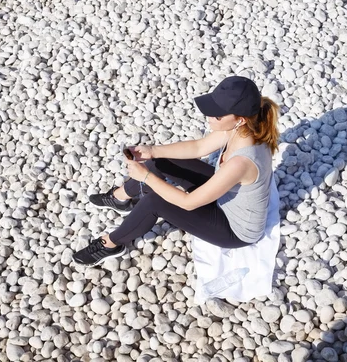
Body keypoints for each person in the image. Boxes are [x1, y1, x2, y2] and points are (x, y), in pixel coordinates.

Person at [72, 76, 280, 266]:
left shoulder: (241, 162)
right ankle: (121, 197)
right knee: (163, 160)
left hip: (234, 229)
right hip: (225, 194)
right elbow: (198, 147)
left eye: (216, 115)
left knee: (155, 201)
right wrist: (152, 151)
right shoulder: (239, 129)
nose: (209, 116)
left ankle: (111, 244)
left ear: (240, 119)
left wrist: (146, 177)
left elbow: (188, 203)